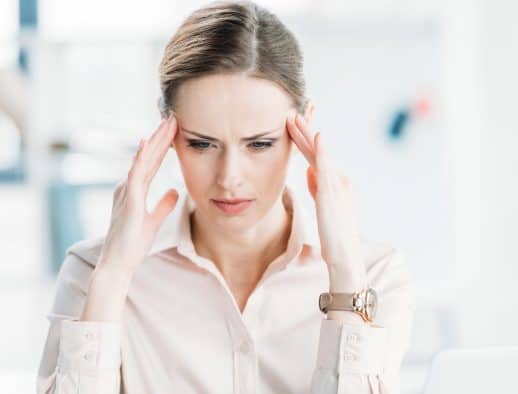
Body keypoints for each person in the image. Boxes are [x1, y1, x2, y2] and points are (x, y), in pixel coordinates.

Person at [36, 1, 415, 393]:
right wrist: (113, 276)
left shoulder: (373, 276)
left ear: (303, 130)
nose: (229, 178)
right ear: (167, 134)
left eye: (260, 144)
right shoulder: (92, 272)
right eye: (202, 144)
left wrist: (344, 277)